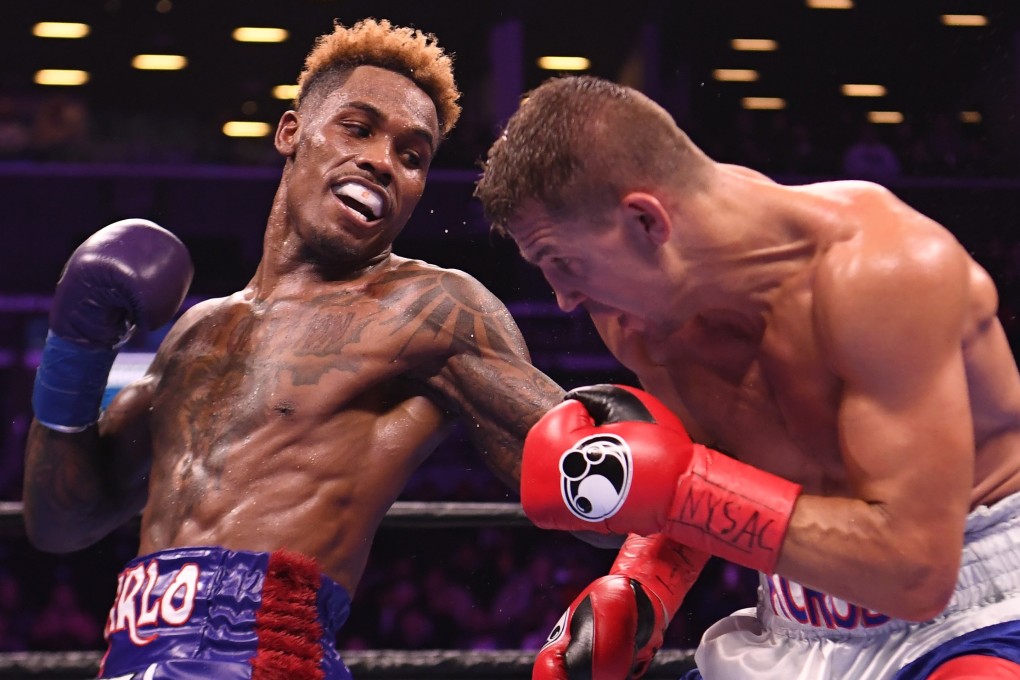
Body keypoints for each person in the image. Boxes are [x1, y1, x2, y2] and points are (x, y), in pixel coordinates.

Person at [23, 19, 568, 680]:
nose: (382, 161)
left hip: (264, 655)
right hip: (131, 655)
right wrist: (74, 350)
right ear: (290, 132)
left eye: (412, 155)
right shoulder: (197, 334)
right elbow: (62, 522)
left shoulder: (431, 309)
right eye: (358, 128)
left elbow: (586, 467)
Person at [475, 75, 1020, 679]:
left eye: (562, 261)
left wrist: (685, 490)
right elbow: (706, 470)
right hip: (793, 620)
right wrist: (642, 586)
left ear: (646, 221)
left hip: (974, 615)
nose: (563, 298)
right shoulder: (637, 318)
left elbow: (916, 575)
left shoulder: (886, 274)